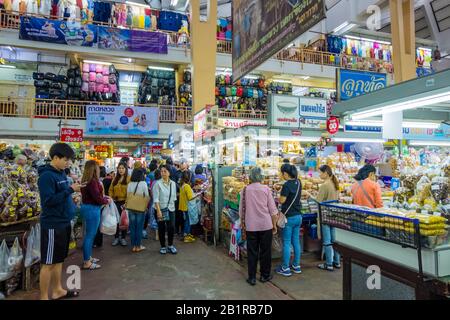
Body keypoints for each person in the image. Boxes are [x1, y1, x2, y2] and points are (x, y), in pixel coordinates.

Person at [38, 143, 81, 300]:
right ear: (55, 158)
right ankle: (43, 297)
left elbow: (62, 194)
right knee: (48, 263)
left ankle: (57, 290)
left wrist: (71, 196)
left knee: (59, 260)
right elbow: (48, 201)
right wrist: (70, 190)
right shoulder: (46, 177)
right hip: (52, 225)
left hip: (64, 222)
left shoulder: (61, 173)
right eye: (66, 159)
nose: (68, 163)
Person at [239, 167, 278, 286]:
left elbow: (241, 211)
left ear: (250, 176)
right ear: (261, 177)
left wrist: (242, 223)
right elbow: (272, 210)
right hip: (266, 225)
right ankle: (264, 275)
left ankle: (251, 277)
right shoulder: (266, 189)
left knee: (252, 252)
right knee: (265, 251)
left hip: (251, 226)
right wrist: (274, 225)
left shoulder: (245, 190)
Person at [308, 165, 341, 271]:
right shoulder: (334, 183)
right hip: (334, 215)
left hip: (325, 215)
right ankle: (337, 261)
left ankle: (329, 264)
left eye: (320, 173)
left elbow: (318, 200)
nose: (319, 175)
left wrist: (308, 194)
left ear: (326, 173)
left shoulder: (325, 185)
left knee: (327, 241)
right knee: (334, 240)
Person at [80, 160, 111, 270]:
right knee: (90, 235)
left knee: (89, 234)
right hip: (92, 209)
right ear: (94, 169)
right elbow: (97, 197)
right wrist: (106, 201)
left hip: (87, 208)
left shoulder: (85, 180)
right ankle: (87, 262)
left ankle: (88, 257)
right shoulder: (92, 182)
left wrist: (104, 199)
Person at [275, 164, 303, 277]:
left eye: (282, 173)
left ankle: (285, 268)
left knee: (286, 242)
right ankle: (296, 265)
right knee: (295, 241)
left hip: (289, 218)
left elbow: (282, 200)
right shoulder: (299, 182)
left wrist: (277, 196)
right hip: (298, 217)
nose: (282, 175)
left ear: (286, 174)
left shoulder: (286, 185)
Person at [153, 165, 178, 254]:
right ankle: (163, 246)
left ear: (169, 173)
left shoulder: (173, 184)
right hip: (160, 209)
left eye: (165, 171)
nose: (163, 173)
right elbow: (156, 199)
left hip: (171, 209)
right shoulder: (157, 184)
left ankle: (170, 245)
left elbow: (174, 198)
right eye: (162, 171)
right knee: (161, 228)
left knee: (171, 227)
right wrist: (158, 211)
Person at [126, 168, 150, 253]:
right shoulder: (143, 183)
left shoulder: (130, 184)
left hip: (131, 208)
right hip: (140, 208)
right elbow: (146, 196)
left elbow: (128, 196)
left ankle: (133, 246)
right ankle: (138, 246)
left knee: (132, 227)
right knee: (139, 228)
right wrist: (146, 206)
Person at [109, 162, 130, 246]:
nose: (121, 170)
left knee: (124, 221)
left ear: (126, 169)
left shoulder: (129, 178)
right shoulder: (115, 179)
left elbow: (130, 192)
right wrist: (111, 198)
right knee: (116, 221)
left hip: (125, 203)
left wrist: (127, 202)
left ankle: (123, 238)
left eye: (122, 168)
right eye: (119, 168)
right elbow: (110, 190)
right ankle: (116, 237)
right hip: (115, 202)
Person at [179, 171, 197, 243]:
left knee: (186, 220)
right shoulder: (187, 186)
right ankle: (186, 236)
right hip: (187, 206)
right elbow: (190, 197)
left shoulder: (182, 185)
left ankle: (186, 234)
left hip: (183, 206)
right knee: (188, 221)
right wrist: (197, 195)